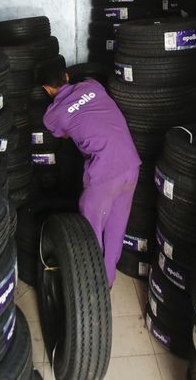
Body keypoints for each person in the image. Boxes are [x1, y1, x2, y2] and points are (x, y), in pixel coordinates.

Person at [38, 61, 141, 287]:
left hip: (105, 172)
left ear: (46, 89)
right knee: (116, 226)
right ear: (66, 76)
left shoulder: (52, 115)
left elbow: (64, 134)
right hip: (131, 164)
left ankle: (92, 287)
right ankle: (108, 280)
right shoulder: (93, 85)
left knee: (90, 230)